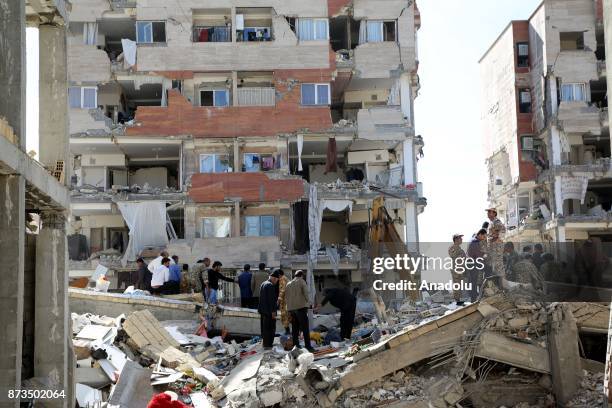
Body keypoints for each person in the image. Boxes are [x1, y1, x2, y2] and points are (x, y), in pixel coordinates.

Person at [285, 270, 314, 351]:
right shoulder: (302, 281)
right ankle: (308, 346)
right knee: (305, 328)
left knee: (295, 328)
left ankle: (296, 346)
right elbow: (306, 294)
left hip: (291, 309)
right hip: (301, 308)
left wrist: (288, 309)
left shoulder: (288, 284)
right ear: (302, 275)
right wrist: (310, 303)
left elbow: (286, 297)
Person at [258, 270, 280, 350]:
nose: (276, 282)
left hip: (263, 311)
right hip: (269, 312)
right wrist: (273, 312)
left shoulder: (263, 283)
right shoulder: (270, 285)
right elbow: (272, 300)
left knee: (264, 328)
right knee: (270, 328)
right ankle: (268, 345)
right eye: (276, 280)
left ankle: (265, 344)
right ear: (274, 278)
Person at [486, 208, 506, 285]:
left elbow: (503, 230)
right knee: (495, 268)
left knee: (499, 267)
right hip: (493, 248)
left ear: (494, 213)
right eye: (488, 212)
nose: (488, 214)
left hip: (497, 248)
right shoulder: (491, 223)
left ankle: (503, 285)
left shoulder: (496, 222)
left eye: (489, 212)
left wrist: (497, 239)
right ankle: (499, 286)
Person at [467, 229, 488, 302]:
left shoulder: (473, 240)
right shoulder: (475, 242)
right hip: (474, 264)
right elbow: (478, 255)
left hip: (472, 264)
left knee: (474, 282)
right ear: (480, 235)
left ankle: (474, 298)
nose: (484, 238)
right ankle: (473, 300)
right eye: (484, 236)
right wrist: (484, 255)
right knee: (474, 282)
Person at [448, 233, 467, 303]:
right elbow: (453, 255)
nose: (462, 240)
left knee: (459, 285)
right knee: (456, 284)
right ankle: (457, 300)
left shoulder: (459, 248)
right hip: (456, 269)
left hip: (460, 269)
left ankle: (459, 299)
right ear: (456, 239)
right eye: (460, 238)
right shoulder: (453, 247)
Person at [277, 269, 290, 335]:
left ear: (279, 274)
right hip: (287, 300)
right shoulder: (285, 278)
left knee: (284, 316)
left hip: (284, 301)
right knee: (287, 316)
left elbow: (282, 290)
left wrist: (279, 299)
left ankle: (287, 331)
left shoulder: (282, 279)